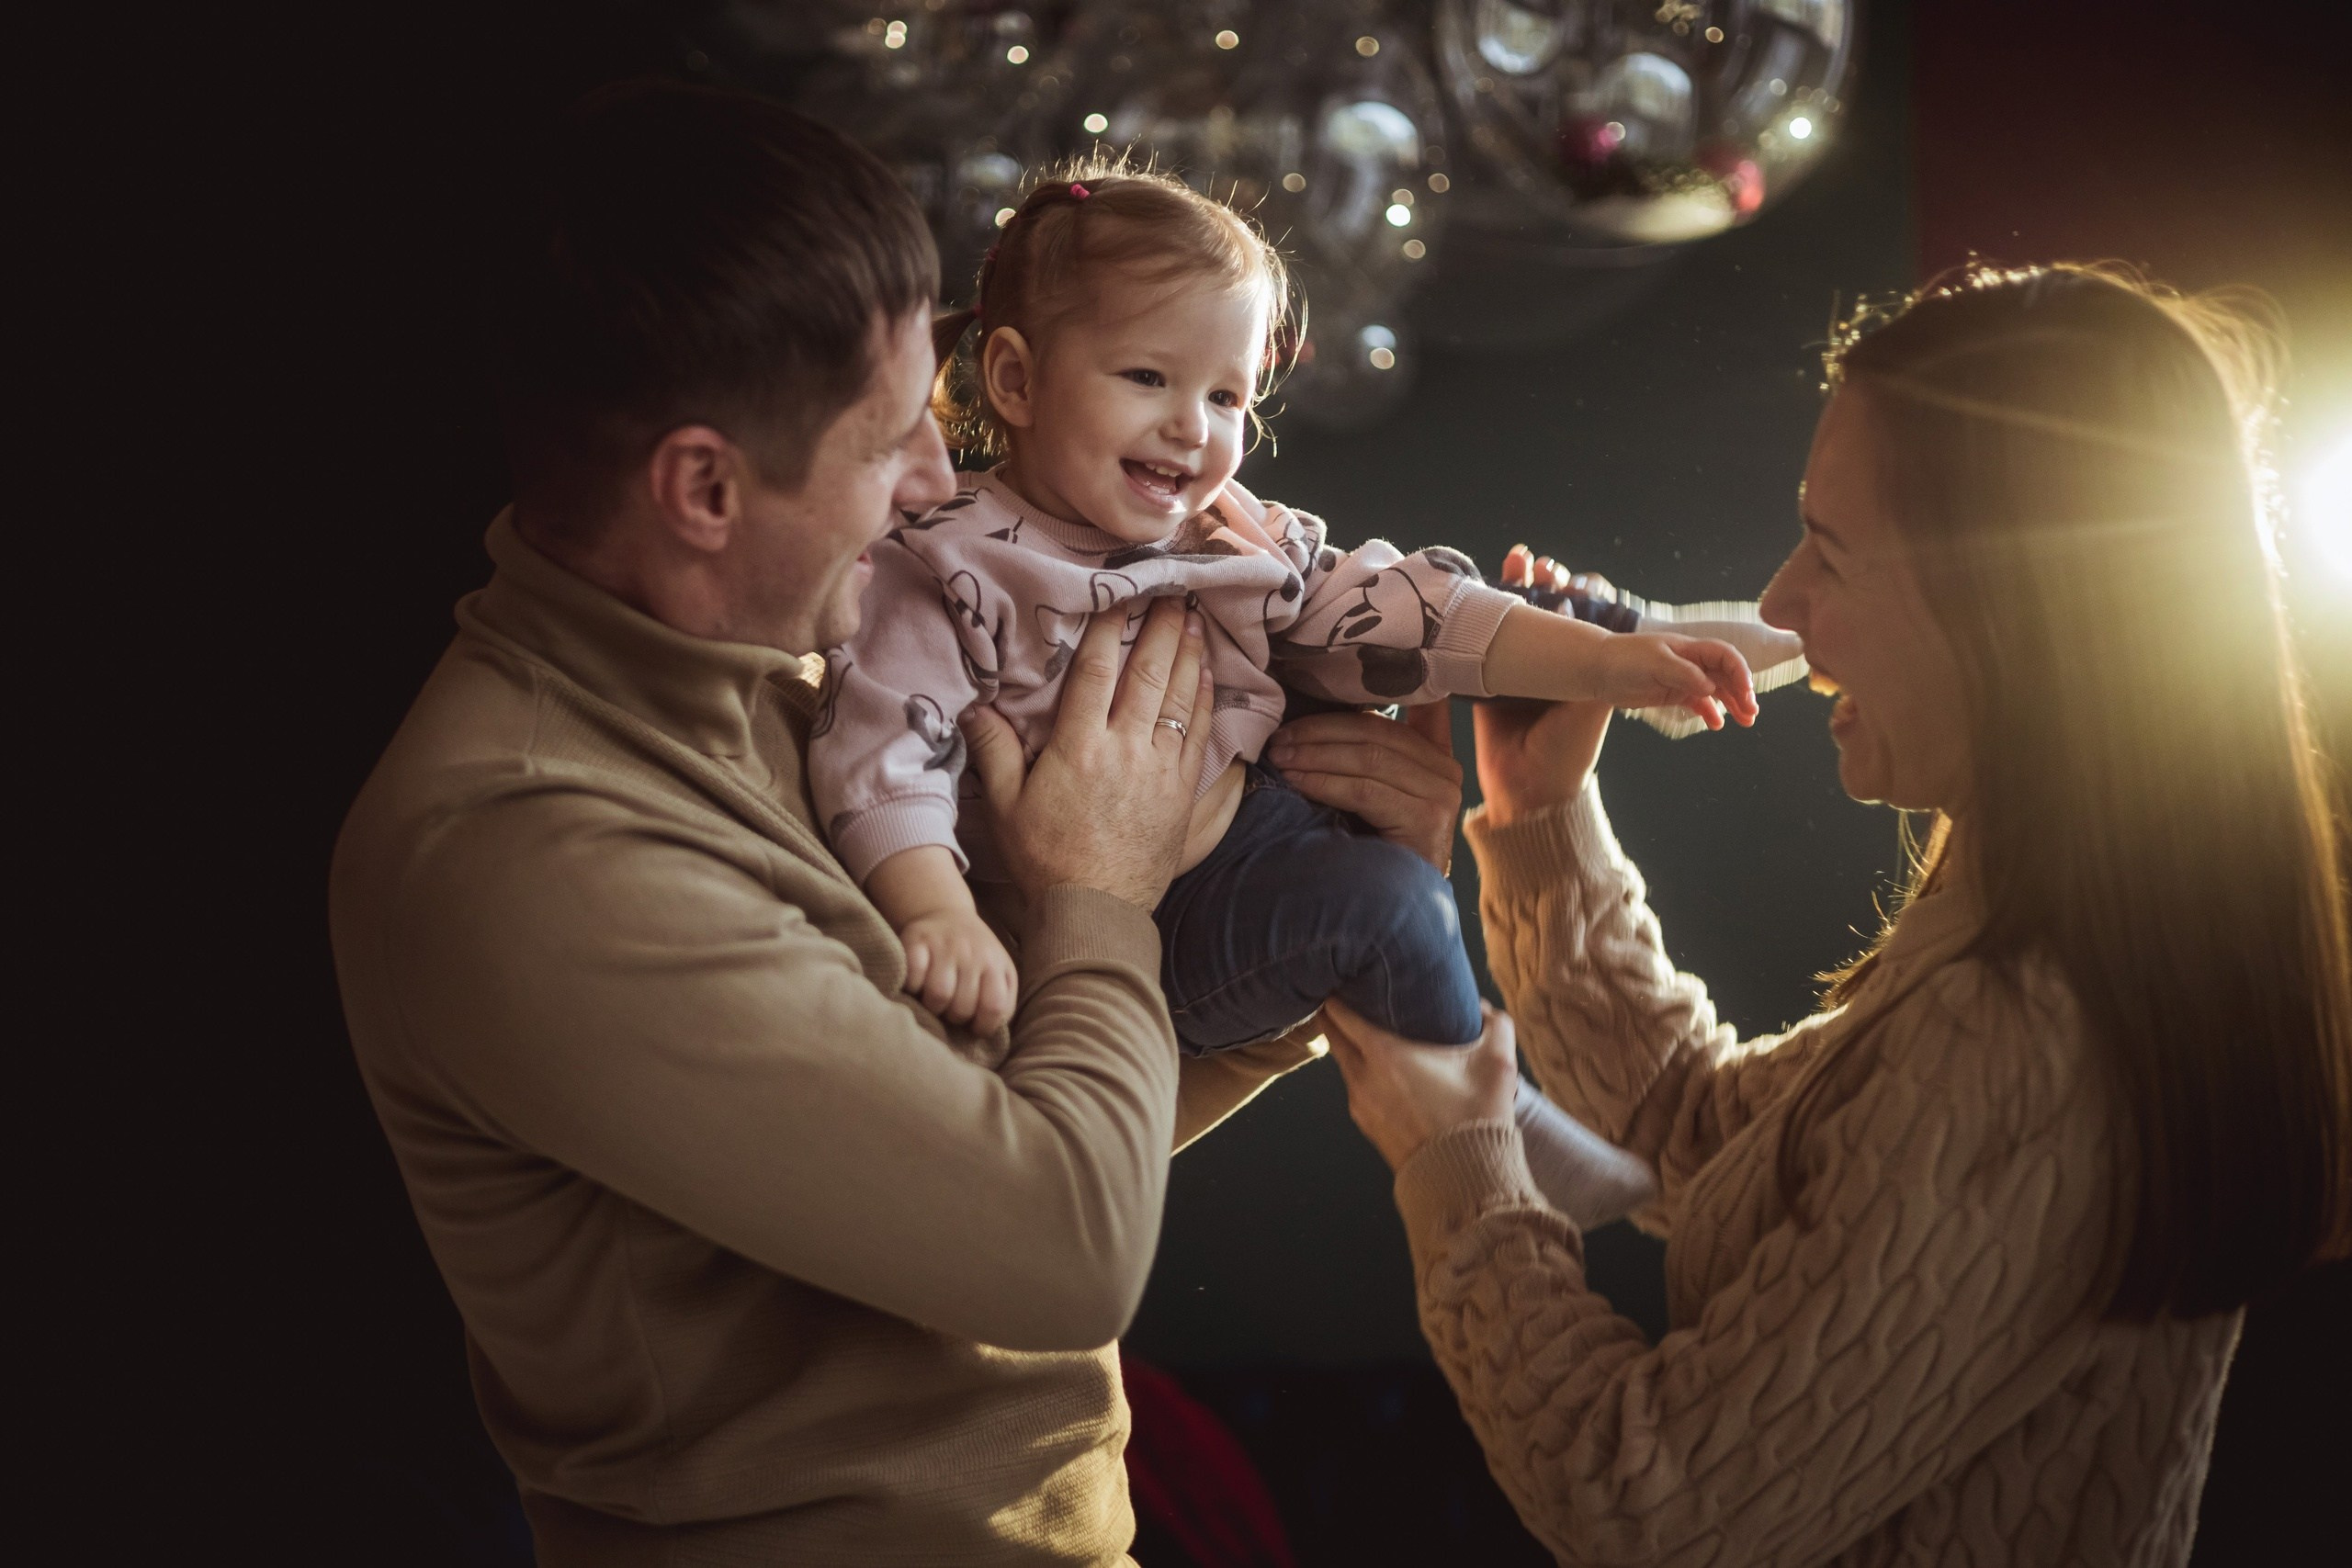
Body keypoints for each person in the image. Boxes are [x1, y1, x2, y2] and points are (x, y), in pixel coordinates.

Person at [326, 82, 1446, 1565]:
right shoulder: (528, 853)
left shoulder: (787, 679)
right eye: (889, 437)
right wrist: (1099, 892)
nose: (940, 472)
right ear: (704, 487)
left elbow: (994, 1130)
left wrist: (1304, 931)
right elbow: (1057, 1251)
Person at [1318, 264, 2351, 1564]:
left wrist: (1459, 1167)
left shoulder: (2026, 1034)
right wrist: (1539, 812)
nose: (1782, 601)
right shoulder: (2038, 926)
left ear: (2015, 614)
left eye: (1834, 551)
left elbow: (1648, 1505)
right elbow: (1706, 1145)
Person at [808, 165, 1781, 1062]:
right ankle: (1477, 1104)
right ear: (1016, 380)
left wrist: (1601, 665)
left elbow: (1391, 610)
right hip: (1163, 921)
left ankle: (1635, 646)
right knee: (1394, 906)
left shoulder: (1221, 526)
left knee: (1407, 603)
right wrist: (936, 911)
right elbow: (884, 746)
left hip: (1259, 791)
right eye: (1146, 377)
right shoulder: (946, 560)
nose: (1191, 426)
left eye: (1226, 396)